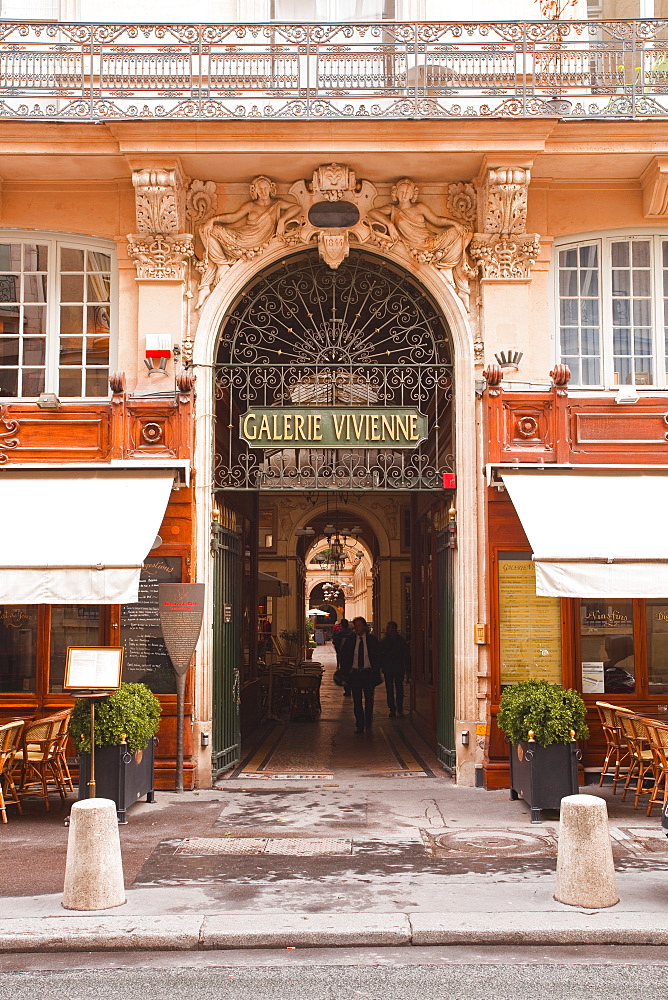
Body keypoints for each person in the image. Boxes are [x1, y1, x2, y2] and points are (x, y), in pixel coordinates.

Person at [339, 616, 382, 734]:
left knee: (369, 699)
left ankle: (368, 721)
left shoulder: (372, 640)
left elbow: (378, 656)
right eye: (355, 625)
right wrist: (347, 671)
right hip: (355, 674)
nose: (357, 628)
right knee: (357, 700)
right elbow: (344, 656)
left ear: (364, 626)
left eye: (359, 625)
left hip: (368, 674)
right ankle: (359, 724)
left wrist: (375, 670)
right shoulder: (350, 640)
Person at [379, 621, 409, 718]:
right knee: (390, 689)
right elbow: (381, 655)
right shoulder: (384, 641)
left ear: (395, 629)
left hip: (398, 668)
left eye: (391, 628)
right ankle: (392, 708)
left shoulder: (400, 641)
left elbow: (405, 654)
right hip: (389, 668)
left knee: (399, 688)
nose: (389, 630)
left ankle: (399, 707)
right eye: (388, 628)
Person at [332, 618, 353, 697]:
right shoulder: (352, 634)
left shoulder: (339, 633)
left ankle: (347, 690)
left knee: (344, 673)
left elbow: (335, 642)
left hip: (343, 656)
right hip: (351, 657)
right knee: (351, 672)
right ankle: (351, 688)